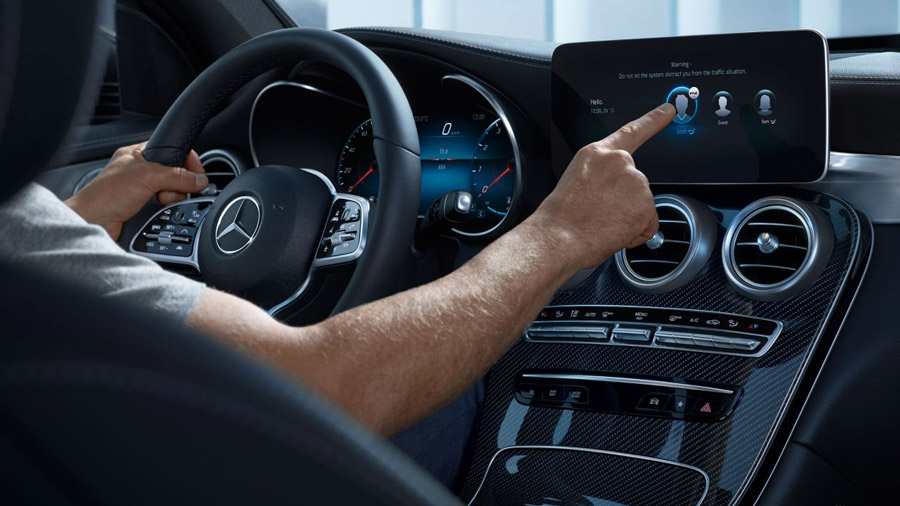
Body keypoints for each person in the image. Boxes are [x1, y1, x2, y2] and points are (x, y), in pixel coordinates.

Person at [0, 103, 675, 438]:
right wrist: (561, 234)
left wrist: (77, 223)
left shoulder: (27, 227)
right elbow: (327, 392)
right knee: (461, 386)